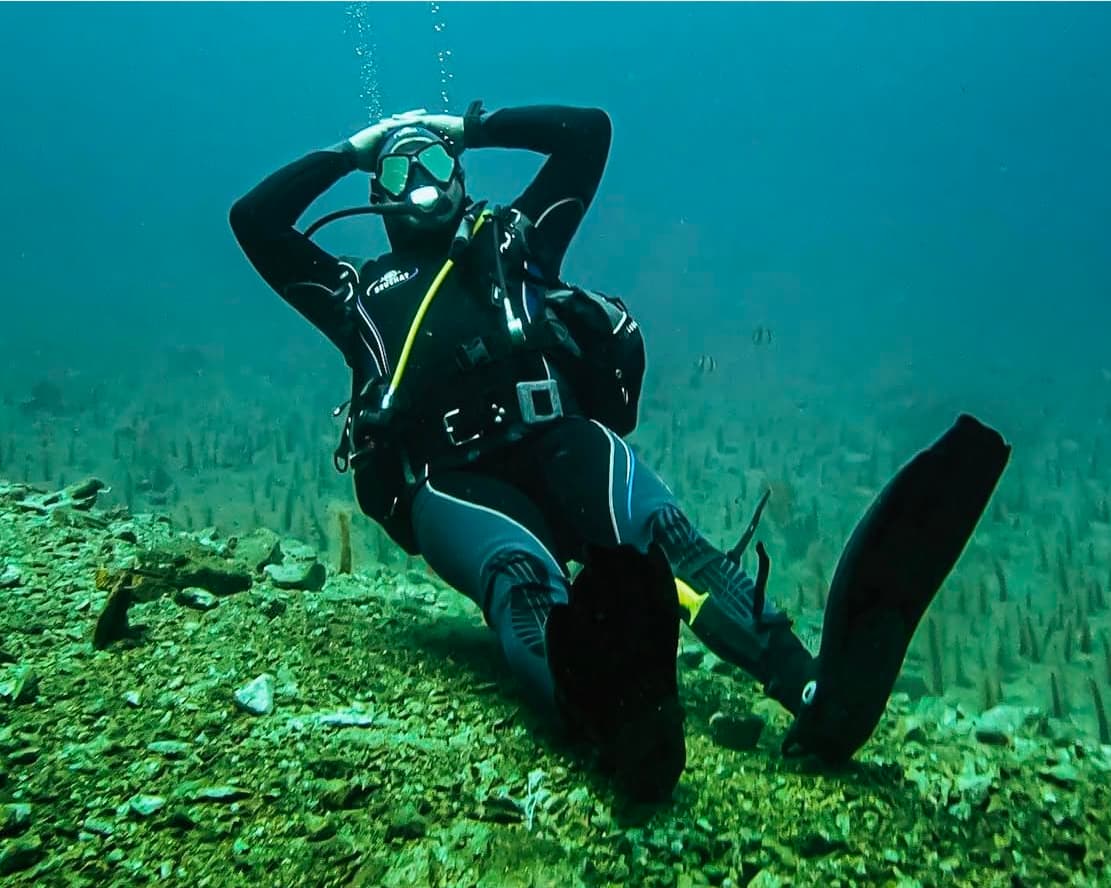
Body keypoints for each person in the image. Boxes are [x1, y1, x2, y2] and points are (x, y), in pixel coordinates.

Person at [230, 102, 1010, 803]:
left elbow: (586, 135)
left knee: (670, 541)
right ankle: (610, 719)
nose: (422, 180)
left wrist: (470, 126)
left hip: (559, 438)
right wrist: (348, 150)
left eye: (435, 161)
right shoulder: (354, 291)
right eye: (400, 170)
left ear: (462, 176)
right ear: (381, 193)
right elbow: (254, 221)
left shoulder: (513, 240)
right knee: (519, 581)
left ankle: (813, 690)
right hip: (451, 480)